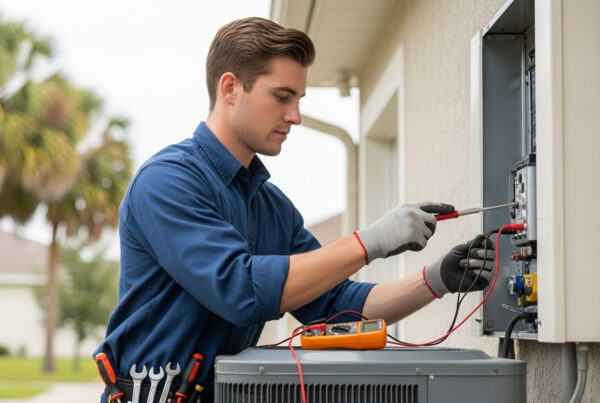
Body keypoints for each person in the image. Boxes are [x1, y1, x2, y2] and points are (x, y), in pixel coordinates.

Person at [95, 17, 495, 403]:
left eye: (299, 100)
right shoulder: (167, 183)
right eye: (282, 97)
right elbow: (240, 290)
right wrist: (373, 241)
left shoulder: (272, 207)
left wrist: (436, 279)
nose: (295, 116)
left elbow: (338, 306)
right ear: (231, 88)